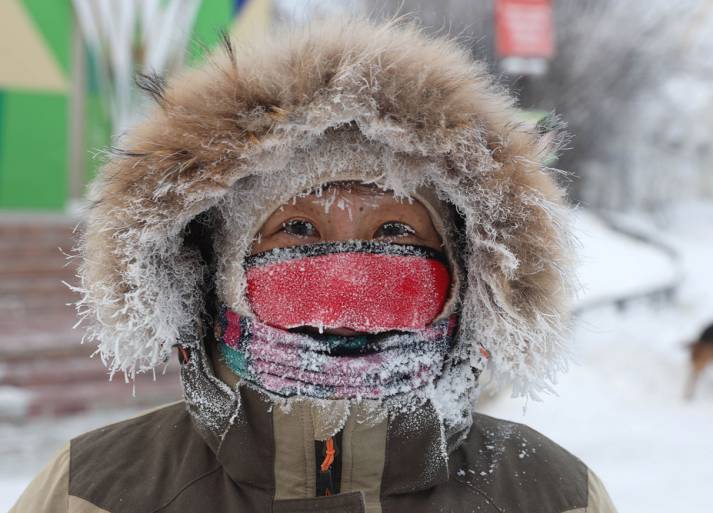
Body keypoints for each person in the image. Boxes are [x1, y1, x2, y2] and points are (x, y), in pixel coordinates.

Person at [11, 17, 617, 513]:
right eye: (297, 228)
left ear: (465, 274)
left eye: (396, 230)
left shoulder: (552, 496)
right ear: (222, 269)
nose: (351, 276)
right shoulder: (92, 493)